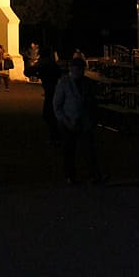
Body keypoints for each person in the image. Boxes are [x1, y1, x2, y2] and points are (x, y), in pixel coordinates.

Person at [53, 52, 102, 183]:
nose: (78, 71)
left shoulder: (87, 83)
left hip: (84, 121)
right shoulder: (64, 83)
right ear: (71, 69)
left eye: (80, 69)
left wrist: (92, 119)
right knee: (69, 150)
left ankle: (93, 173)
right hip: (68, 121)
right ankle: (70, 175)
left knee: (89, 150)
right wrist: (64, 120)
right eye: (75, 69)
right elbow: (57, 105)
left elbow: (92, 102)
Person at [38, 51, 63, 145]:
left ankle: (56, 137)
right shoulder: (53, 66)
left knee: (49, 115)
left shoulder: (46, 65)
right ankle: (56, 136)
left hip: (51, 92)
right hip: (53, 91)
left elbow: (28, 71)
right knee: (51, 115)